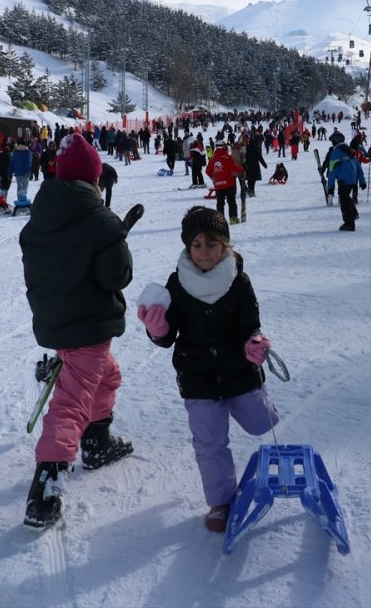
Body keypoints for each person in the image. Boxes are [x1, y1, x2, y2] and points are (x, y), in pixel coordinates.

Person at [18, 133, 137, 529]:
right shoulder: (99, 220)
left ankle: (97, 441)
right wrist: (115, 237)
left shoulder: (41, 215)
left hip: (56, 319)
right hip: (87, 322)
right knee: (71, 402)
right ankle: (46, 488)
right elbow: (116, 275)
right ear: (94, 179)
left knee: (108, 375)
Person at [137, 206, 279, 534]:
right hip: (197, 376)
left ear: (225, 245)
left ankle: (259, 414)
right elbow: (167, 336)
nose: (204, 252)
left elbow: (250, 325)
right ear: (188, 247)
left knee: (262, 423)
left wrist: (254, 342)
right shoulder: (177, 283)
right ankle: (221, 502)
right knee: (209, 444)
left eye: (211, 244)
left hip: (240, 371)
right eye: (196, 245)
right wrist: (157, 328)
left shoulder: (238, 280)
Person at [326, 140, 367, 231]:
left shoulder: (336, 153)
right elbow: (359, 168)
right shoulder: (350, 153)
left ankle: (349, 224)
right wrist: (362, 181)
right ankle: (354, 214)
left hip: (344, 180)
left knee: (344, 200)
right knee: (346, 196)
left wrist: (331, 188)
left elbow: (332, 172)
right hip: (353, 180)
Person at [205, 135, 245, 224]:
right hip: (229, 184)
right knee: (231, 201)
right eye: (225, 146)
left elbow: (207, 171)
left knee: (220, 203)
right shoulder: (227, 157)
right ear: (222, 146)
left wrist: (213, 178)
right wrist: (242, 169)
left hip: (218, 185)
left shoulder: (212, 159)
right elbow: (234, 168)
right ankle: (233, 218)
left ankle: (220, 220)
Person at [8, 138, 33, 202]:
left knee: (19, 187)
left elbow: (12, 163)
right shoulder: (28, 152)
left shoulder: (15, 152)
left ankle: (19, 201)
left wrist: (9, 173)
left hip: (18, 172)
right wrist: (29, 172)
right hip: (25, 173)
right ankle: (23, 202)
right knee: (24, 188)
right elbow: (29, 163)